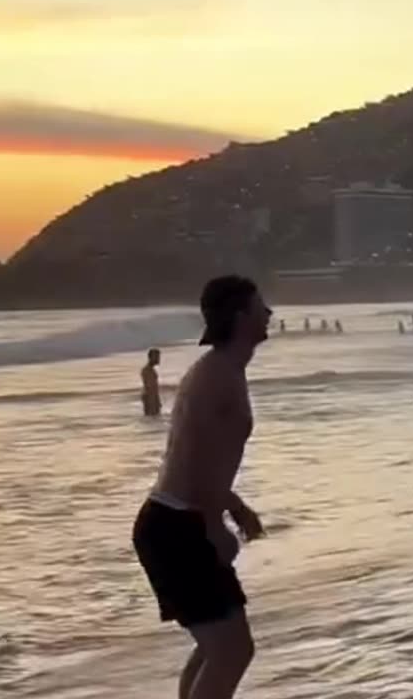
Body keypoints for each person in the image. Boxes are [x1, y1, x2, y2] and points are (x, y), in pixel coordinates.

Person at [132, 276, 271, 699]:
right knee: (231, 652)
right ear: (240, 317)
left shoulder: (221, 369)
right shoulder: (217, 377)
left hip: (174, 521)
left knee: (218, 649)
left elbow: (205, 456)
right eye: (261, 306)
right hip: (178, 527)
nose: (269, 314)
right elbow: (193, 460)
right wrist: (214, 526)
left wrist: (236, 505)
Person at [141, 348, 162, 417]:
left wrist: (158, 401)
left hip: (152, 399)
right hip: (150, 400)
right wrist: (153, 402)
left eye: (158, 357)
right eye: (157, 357)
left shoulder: (151, 370)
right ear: (151, 357)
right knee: (152, 419)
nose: (159, 359)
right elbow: (150, 388)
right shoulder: (147, 370)